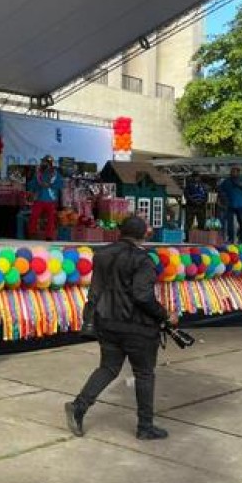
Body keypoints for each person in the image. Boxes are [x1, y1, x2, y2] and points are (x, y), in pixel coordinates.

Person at [65, 216, 171, 440]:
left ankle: (79, 406)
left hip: (106, 322)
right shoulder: (143, 260)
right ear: (143, 235)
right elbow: (142, 296)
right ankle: (145, 426)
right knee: (144, 374)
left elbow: (95, 290)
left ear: (121, 232)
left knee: (108, 368)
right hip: (136, 326)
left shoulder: (102, 255)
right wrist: (165, 315)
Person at [27, 155, 63, 241]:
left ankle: (49, 236)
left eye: (45, 162)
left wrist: (50, 185)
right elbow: (32, 184)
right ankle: (32, 233)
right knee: (34, 216)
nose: (43, 163)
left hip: (51, 199)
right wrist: (31, 190)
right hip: (39, 199)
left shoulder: (55, 174)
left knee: (51, 218)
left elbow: (60, 184)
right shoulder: (39, 173)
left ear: (50, 163)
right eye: (43, 162)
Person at [218, 167, 242, 243]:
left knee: (241, 222)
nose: (232, 173)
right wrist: (223, 197)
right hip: (230, 205)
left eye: (234, 172)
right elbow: (220, 189)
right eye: (231, 172)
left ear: (238, 173)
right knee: (229, 223)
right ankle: (230, 238)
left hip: (240, 205)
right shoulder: (227, 181)